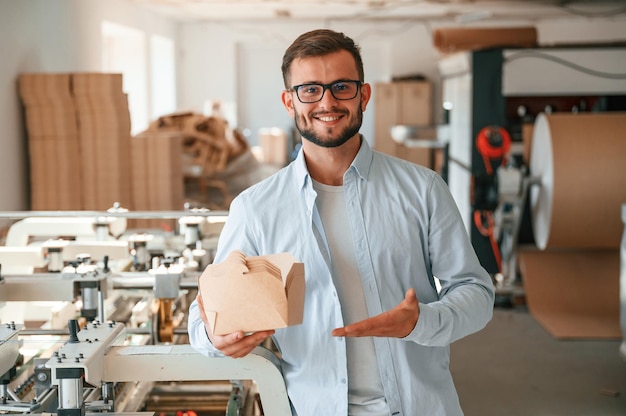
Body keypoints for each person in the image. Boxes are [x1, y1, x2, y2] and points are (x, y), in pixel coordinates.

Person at [188, 28, 495, 415]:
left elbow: (477, 294)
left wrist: (421, 321)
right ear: (289, 102)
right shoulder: (256, 208)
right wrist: (217, 337)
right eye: (310, 89)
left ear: (363, 95)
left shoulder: (423, 189)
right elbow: (204, 317)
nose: (327, 102)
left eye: (341, 87)